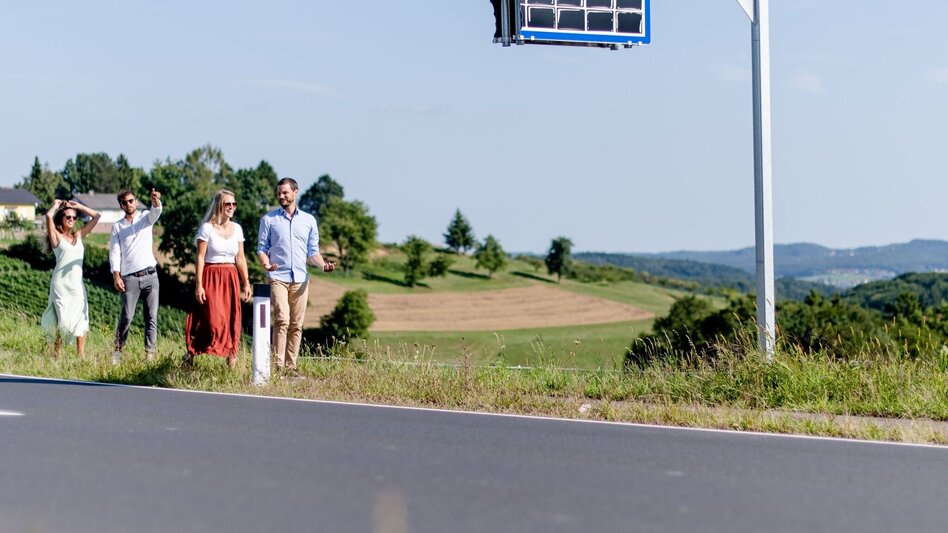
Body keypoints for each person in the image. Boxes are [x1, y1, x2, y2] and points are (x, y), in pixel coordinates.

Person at [257, 177, 335, 375]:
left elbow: (313, 252)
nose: (281, 196)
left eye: (285, 193)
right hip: (278, 277)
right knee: (282, 318)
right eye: (279, 193)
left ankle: (291, 367)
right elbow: (262, 249)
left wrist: (323, 265)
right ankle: (278, 366)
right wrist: (266, 264)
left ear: (295, 192)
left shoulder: (309, 220)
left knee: (296, 324)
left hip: (300, 279)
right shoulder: (269, 220)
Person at [183, 190, 252, 369]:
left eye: (233, 204)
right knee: (212, 320)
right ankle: (191, 352)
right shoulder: (207, 228)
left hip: (230, 277)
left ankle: (232, 359)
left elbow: (241, 258)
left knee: (231, 319)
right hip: (211, 276)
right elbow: (200, 257)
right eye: (227, 204)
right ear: (219, 205)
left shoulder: (237, 229)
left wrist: (246, 283)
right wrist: (199, 285)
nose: (231, 207)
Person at [41, 199, 101, 357]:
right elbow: (48, 216)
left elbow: (97, 216)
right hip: (61, 285)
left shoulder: (79, 235)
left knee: (81, 319)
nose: (71, 220)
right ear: (61, 218)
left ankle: (80, 355)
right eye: (68, 217)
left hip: (77, 286)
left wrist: (79, 206)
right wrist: (55, 205)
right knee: (63, 320)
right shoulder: (56, 238)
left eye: (74, 218)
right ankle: (57, 353)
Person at [109, 188, 163, 365]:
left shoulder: (145, 218)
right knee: (127, 316)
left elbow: (157, 211)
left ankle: (149, 354)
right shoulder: (117, 226)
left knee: (151, 316)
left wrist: (155, 200)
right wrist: (116, 276)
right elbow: (115, 253)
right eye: (124, 202)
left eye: (131, 201)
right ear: (121, 205)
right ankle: (117, 351)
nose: (128, 204)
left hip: (150, 275)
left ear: (136, 202)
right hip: (129, 278)